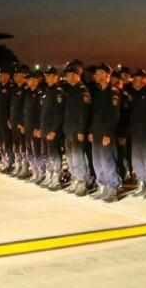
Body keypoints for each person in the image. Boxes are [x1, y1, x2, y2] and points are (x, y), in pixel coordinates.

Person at [89, 63, 122, 202]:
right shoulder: (98, 92)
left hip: (106, 134)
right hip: (96, 132)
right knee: (97, 161)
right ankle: (102, 186)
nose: (95, 75)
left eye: (98, 73)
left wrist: (108, 133)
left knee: (107, 161)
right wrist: (91, 130)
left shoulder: (113, 92)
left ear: (106, 75)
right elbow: (95, 114)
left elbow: (114, 115)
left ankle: (112, 188)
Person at [128, 69, 146, 200]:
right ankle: (141, 183)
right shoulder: (134, 94)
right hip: (136, 132)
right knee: (136, 160)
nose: (134, 81)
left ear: (144, 80)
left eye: (137, 79)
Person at [62, 63, 92, 195]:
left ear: (76, 76)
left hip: (77, 130)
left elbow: (84, 112)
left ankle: (82, 181)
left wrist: (81, 130)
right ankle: (75, 178)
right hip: (68, 129)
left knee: (78, 156)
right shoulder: (72, 90)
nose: (66, 77)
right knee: (70, 156)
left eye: (68, 75)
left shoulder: (82, 90)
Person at [38, 66, 66, 188]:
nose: (46, 77)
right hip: (45, 128)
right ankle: (49, 175)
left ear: (56, 77)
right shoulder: (47, 91)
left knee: (54, 154)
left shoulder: (58, 92)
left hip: (52, 130)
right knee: (45, 153)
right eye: (46, 75)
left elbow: (58, 114)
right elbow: (44, 112)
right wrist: (41, 128)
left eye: (49, 75)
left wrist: (54, 130)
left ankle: (57, 177)